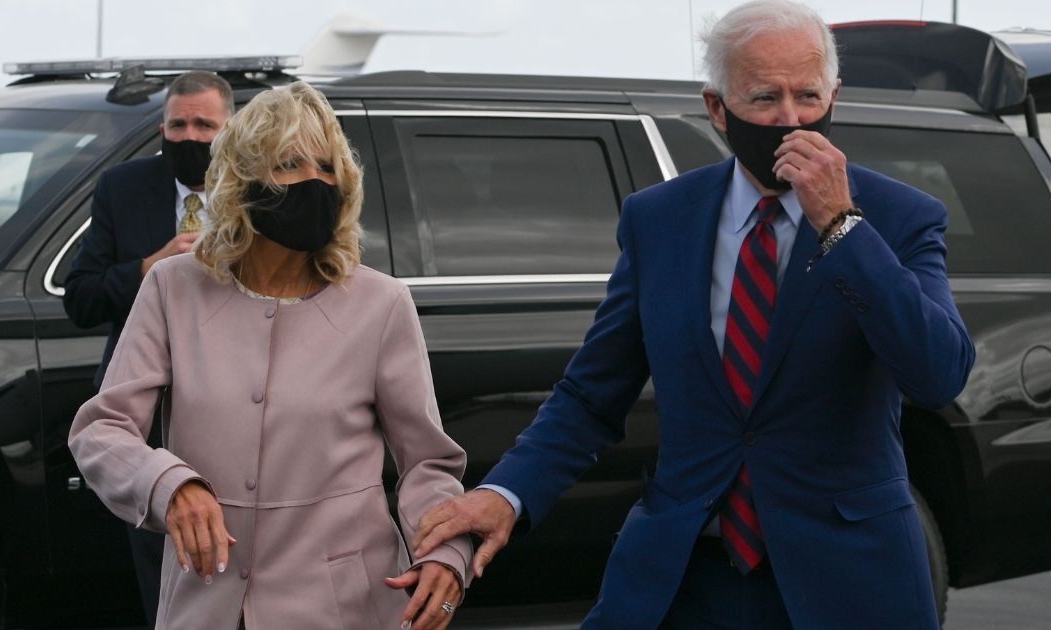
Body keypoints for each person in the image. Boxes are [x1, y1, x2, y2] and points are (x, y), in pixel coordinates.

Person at [412, 1, 976, 628]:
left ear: (834, 95)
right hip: (686, 575)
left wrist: (842, 229)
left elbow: (938, 373)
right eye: (764, 98)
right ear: (717, 109)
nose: (790, 119)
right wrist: (505, 494)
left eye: (808, 96)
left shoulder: (900, 219)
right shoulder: (660, 221)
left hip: (847, 581)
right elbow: (593, 394)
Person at [68, 81, 471, 629]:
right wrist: (170, 485)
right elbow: (102, 428)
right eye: (289, 164)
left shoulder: (381, 303)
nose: (314, 182)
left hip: (343, 608)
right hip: (204, 602)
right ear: (244, 181)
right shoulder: (173, 287)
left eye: (328, 168)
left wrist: (446, 554)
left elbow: (427, 461)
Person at [62, 70, 234, 628]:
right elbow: (81, 297)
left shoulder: (261, 190)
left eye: (204, 125)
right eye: (177, 125)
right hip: (147, 419)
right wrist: (149, 268)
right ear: (161, 127)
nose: (189, 137)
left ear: (231, 130)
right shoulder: (124, 187)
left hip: (237, 406)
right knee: (159, 574)